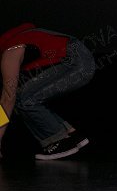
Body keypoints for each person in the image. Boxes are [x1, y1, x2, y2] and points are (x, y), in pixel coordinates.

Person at [0, 23, 95, 160]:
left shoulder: (11, 50)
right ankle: (72, 136)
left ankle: (60, 142)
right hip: (80, 59)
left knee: (25, 99)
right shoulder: (22, 38)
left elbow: (7, 98)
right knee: (24, 96)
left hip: (76, 62)